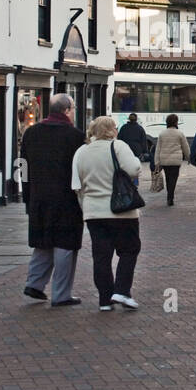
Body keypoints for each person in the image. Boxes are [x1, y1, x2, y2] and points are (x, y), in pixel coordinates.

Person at [20, 94, 86, 307]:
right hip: (66, 200)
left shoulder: (31, 133)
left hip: (38, 198)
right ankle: (61, 294)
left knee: (43, 242)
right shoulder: (75, 137)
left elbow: (23, 168)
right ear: (67, 110)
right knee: (65, 246)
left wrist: (27, 196)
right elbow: (80, 172)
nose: (74, 112)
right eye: (74, 108)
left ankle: (35, 283)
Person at [72, 116, 143, 311]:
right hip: (121, 210)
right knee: (130, 249)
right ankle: (121, 290)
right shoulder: (118, 146)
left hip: (93, 212)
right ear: (112, 130)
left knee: (101, 256)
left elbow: (77, 183)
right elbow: (134, 169)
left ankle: (105, 299)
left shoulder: (82, 151)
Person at [153, 114, 190, 206]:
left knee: (168, 177)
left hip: (164, 160)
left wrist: (157, 162)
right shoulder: (179, 133)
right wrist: (189, 157)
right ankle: (170, 197)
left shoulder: (162, 134)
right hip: (175, 161)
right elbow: (185, 147)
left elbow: (158, 148)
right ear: (176, 122)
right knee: (173, 178)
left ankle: (169, 196)